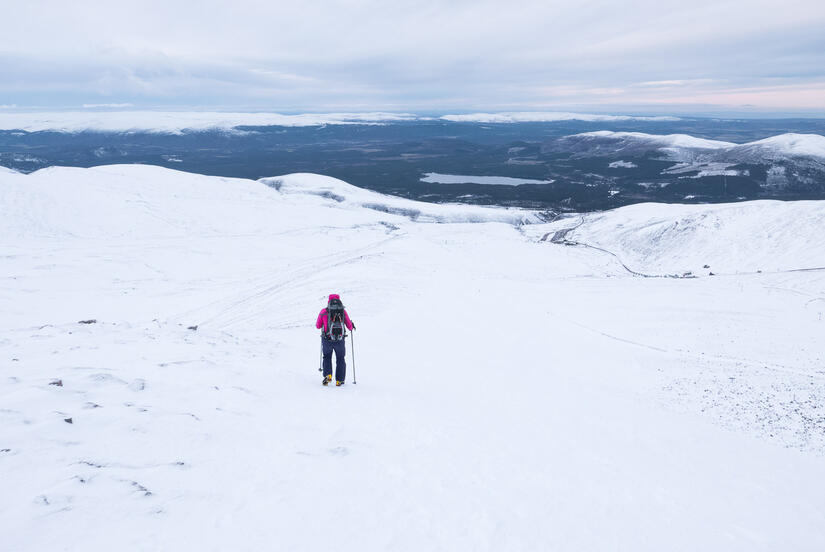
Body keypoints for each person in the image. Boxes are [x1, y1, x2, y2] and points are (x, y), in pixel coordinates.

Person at [316, 294, 354, 386]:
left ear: (328, 301)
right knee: (340, 358)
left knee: (327, 357)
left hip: (327, 339)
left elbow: (318, 326)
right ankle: (339, 380)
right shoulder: (343, 312)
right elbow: (349, 326)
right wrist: (352, 325)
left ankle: (328, 375)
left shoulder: (324, 311)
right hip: (340, 340)